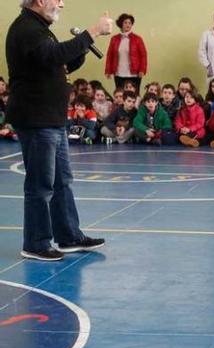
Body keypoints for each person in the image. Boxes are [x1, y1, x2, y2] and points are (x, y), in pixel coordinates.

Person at [6, 0, 111, 261]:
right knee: (41, 185)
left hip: (51, 119)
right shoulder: (27, 29)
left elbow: (56, 64)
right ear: (41, 1)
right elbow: (53, 56)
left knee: (61, 181)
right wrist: (91, 33)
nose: (61, 4)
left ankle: (68, 236)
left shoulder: (41, 29)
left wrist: (81, 48)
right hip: (36, 119)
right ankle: (36, 243)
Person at [104, 13, 147, 94]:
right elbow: (110, 55)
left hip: (134, 74)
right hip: (119, 73)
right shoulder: (114, 39)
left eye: (130, 23)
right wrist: (108, 70)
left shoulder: (138, 39)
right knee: (120, 94)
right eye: (125, 22)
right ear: (121, 24)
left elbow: (143, 56)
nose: (128, 25)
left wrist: (142, 70)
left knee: (134, 95)